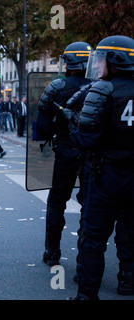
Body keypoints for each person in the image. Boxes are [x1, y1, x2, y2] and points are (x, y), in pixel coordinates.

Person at [64, 35, 134, 300]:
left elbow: (86, 139)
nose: (98, 66)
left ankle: (87, 294)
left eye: (102, 60)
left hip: (106, 175)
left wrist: (73, 126)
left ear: (116, 61)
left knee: (93, 238)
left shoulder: (104, 90)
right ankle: (127, 282)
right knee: (130, 232)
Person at [36, 41, 92, 266]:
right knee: (89, 205)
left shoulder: (57, 87)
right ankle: (85, 261)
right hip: (91, 154)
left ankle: (52, 252)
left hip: (66, 151)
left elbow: (42, 127)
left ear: (68, 63)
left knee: (57, 201)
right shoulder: (100, 85)